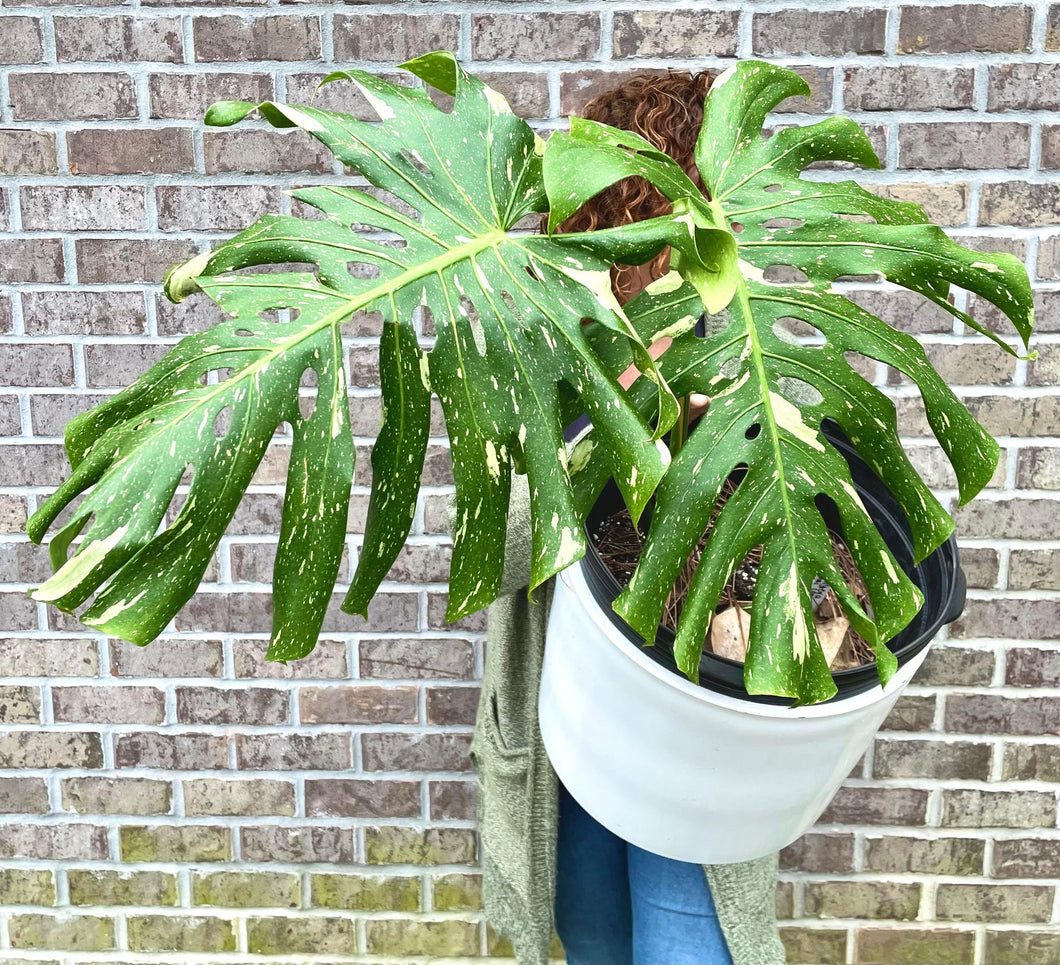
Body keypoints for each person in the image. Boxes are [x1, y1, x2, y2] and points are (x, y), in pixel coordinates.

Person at [449, 71, 786, 965]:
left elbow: (793, 533)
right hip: (575, 725)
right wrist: (617, 401)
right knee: (594, 941)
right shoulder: (538, 343)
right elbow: (496, 551)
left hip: (698, 733)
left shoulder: (742, 332)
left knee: (691, 946)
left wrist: (697, 396)